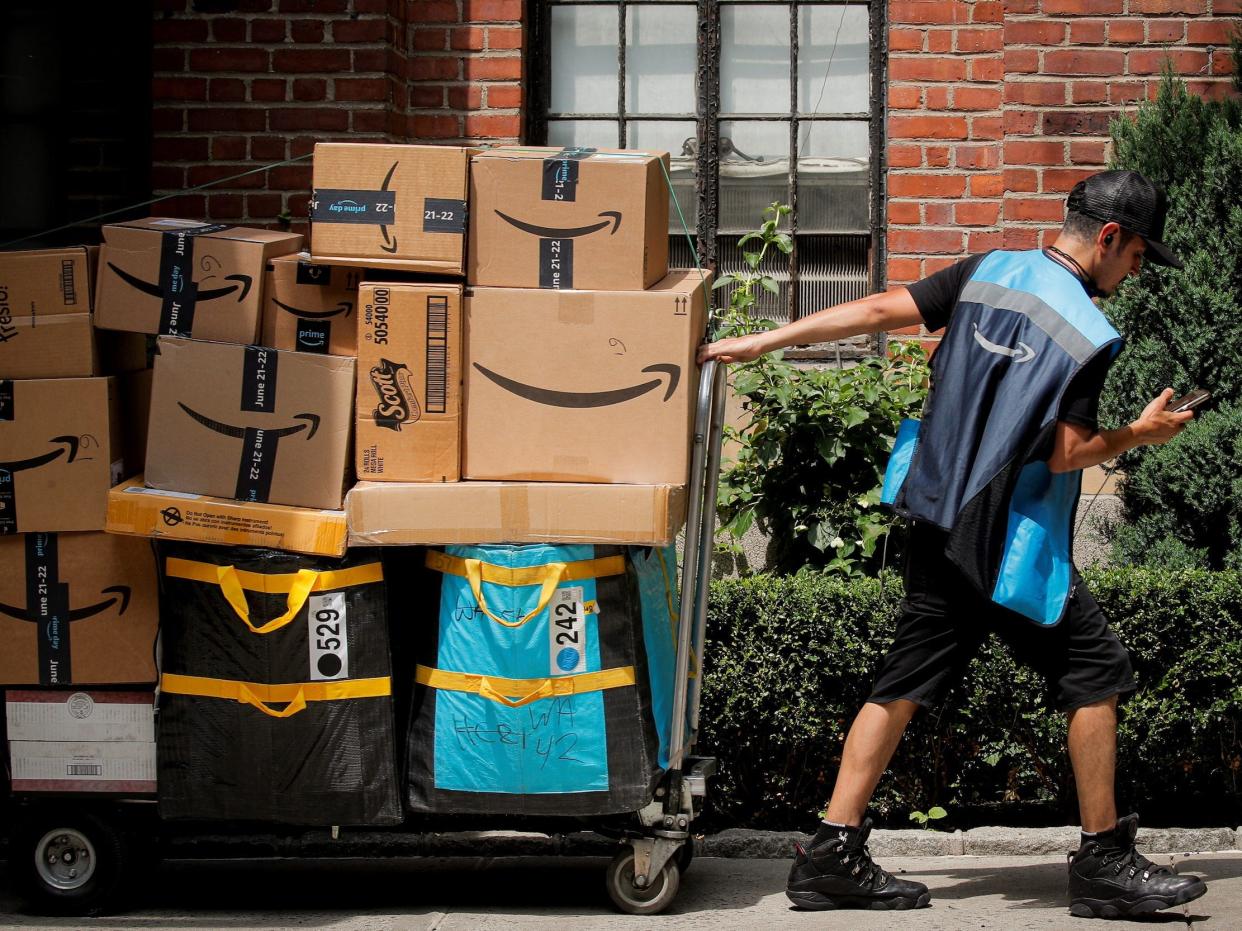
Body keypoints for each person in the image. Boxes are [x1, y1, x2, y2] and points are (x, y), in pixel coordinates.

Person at [697, 170, 1208, 918]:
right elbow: (1067, 453)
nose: (1134, 273)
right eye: (1135, 256)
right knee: (1096, 669)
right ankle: (1102, 861)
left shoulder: (987, 269)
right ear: (1108, 238)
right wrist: (1141, 432)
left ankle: (829, 853)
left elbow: (877, 308)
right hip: (1005, 537)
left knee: (904, 680)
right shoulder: (1088, 331)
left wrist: (765, 339)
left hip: (936, 511)